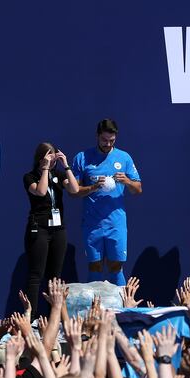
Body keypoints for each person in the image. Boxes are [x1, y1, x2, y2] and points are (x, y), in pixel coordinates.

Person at [71, 119, 141, 286]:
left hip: (116, 223)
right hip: (92, 223)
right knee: (94, 267)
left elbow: (138, 189)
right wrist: (94, 187)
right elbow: (74, 192)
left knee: (116, 266)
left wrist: (127, 182)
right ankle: (93, 310)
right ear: (97, 136)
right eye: (104, 140)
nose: (108, 144)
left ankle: (122, 310)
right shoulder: (82, 158)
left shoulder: (124, 158)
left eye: (112, 141)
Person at [23, 143, 80, 312]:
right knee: (36, 275)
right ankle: (31, 316)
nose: (52, 160)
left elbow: (75, 189)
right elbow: (40, 191)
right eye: (49, 157)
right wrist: (46, 169)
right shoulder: (30, 177)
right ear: (40, 159)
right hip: (39, 228)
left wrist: (66, 165)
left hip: (58, 229)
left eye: (54, 157)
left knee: (55, 277)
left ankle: (52, 316)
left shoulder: (59, 174)